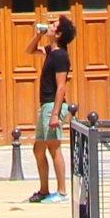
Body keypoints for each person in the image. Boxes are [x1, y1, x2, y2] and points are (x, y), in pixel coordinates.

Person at [29, 12, 76, 203]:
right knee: (38, 149)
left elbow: (62, 86)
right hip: (45, 105)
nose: (49, 25)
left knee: (54, 147)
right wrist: (38, 35)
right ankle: (44, 190)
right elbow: (30, 50)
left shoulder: (61, 56)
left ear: (59, 33)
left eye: (53, 24)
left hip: (53, 106)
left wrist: (55, 114)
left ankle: (62, 191)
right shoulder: (51, 51)